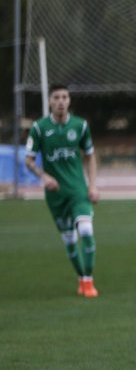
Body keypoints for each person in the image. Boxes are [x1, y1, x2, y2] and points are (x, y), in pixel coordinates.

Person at [24, 84, 101, 297]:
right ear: (49, 101)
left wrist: (92, 185)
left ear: (69, 101)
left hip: (78, 190)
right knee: (69, 239)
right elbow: (28, 160)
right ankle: (81, 279)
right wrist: (44, 176)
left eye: (64, 97)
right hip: (56, 195)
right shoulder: (39, 128)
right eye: (56, 97)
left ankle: (88, 281)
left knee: (85, 230)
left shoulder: (80, 125)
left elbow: (90, 156)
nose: (61, 101)